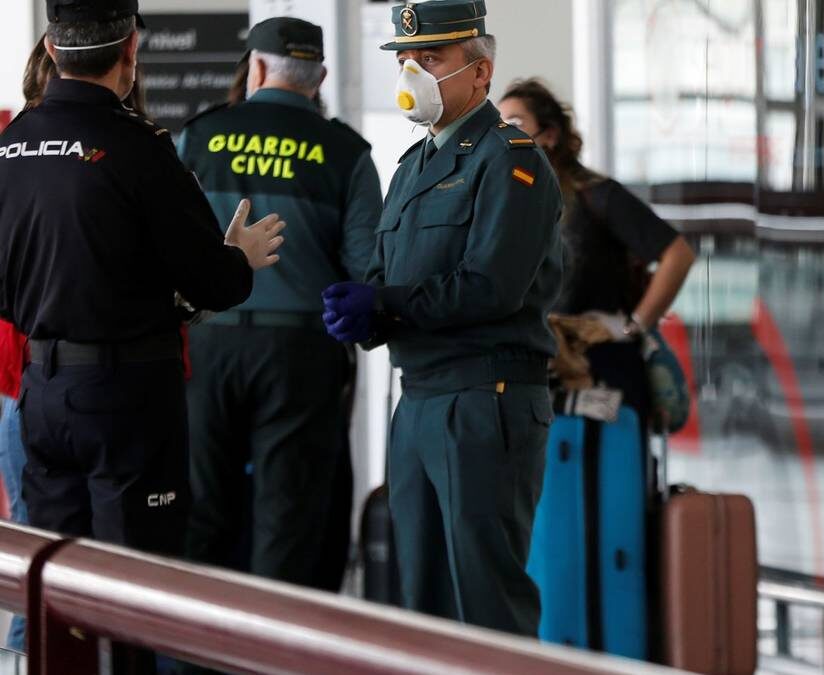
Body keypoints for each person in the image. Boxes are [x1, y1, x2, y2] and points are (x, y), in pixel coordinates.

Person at [0, 0, 284, 617]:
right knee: (131, 594)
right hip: (125, 396)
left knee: (54, 594)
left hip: (41, 392)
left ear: (51, 49)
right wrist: (238, 257)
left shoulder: (12, 144)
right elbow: (213, 283)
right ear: (131, 50)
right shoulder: (139, 148)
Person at [322, 0, 563, 637]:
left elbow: (492, 287)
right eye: (405, 59)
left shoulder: (511, 161)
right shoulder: (413, 165)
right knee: (420, 601)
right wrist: (364, 314)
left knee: (486, 600)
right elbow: (386, 273)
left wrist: (387, 306)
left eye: (430, 59)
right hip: (421, 396)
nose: (411, 73)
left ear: (480, 73)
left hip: (484, 397)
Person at [176, 17, 380, 592]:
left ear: (257, 67)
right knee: (289, 521)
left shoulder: (201, 136)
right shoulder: (347, 152)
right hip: (300, 354)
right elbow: (368, 269)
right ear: (319, 77)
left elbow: (170, 246)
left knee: (202, 512)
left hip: (207, 346)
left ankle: (194, 654)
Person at [498, 79, 695, 429]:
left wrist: (634, 326)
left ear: (550, 135)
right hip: (541, 374)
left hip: (606, 369)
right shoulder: (510, 202)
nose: (502, 135)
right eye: (497, 125)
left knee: (608, 476)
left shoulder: (598, 195)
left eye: (514, 123)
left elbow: (677, 255)